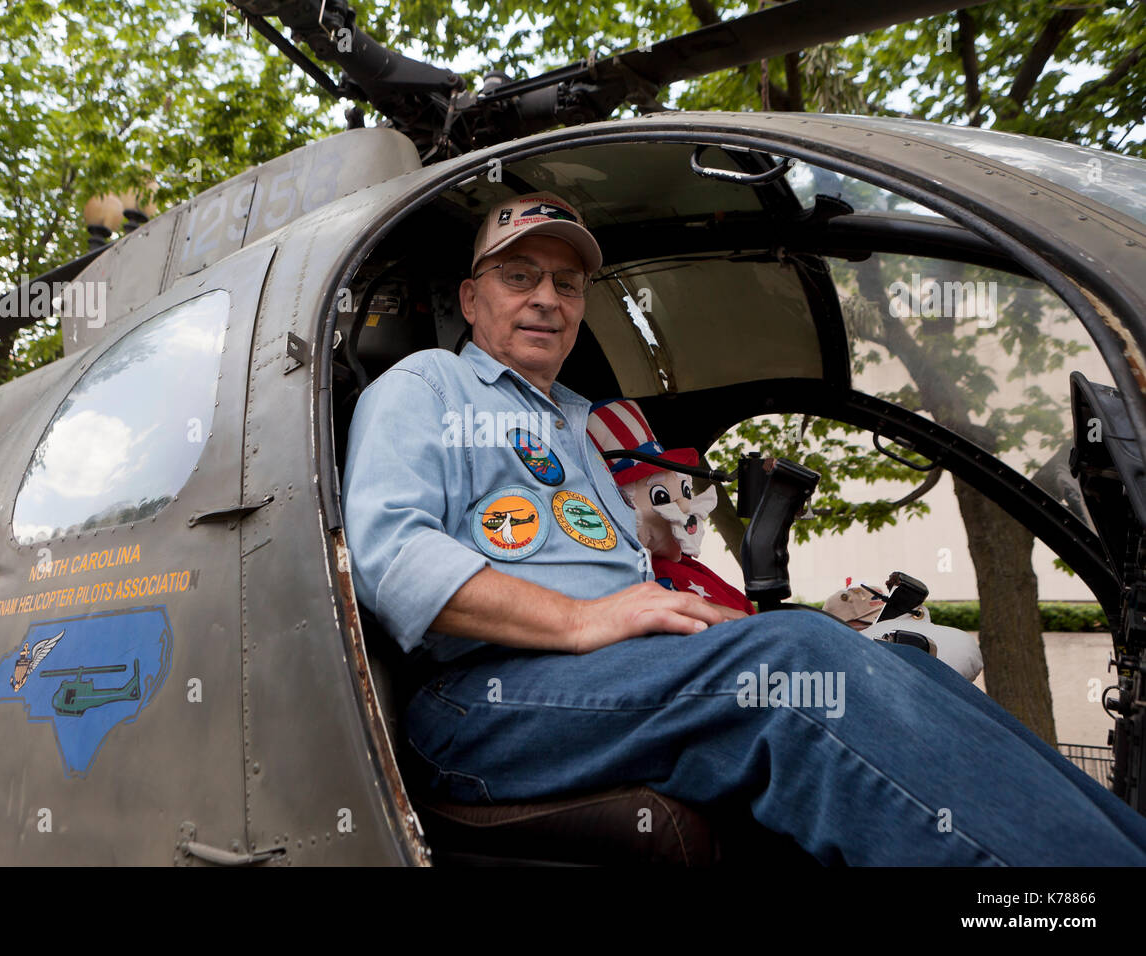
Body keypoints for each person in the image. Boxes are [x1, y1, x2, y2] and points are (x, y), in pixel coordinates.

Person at [341, 190, 1146, 865]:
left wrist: (691, 620)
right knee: (791, 665)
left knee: (907, 668)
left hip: (598, 680)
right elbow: (393, 559)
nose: (548, 298)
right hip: (479, 700)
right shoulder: (429, 387)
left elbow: (620, 578)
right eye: (519, 276)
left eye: (567, 282)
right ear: (472, 299)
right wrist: (586, 621)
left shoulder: (582, 423)